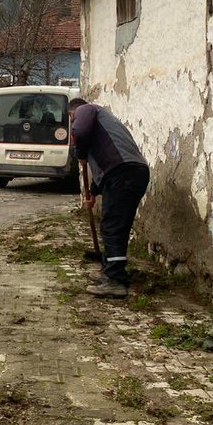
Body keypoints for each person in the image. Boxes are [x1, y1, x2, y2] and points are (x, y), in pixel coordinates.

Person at [68, 98, 150, 298]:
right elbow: (109, 165)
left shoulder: (87, 109)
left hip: (122, 174)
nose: (73, 122)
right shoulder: (106, 123)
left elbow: (79, 132)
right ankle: (111, 271)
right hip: (133, 172)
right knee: (118, 226)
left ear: (73, 112)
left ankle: (115, 281)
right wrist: (93, 192)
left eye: (72, 118)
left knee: (112, 226)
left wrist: (80, 153)